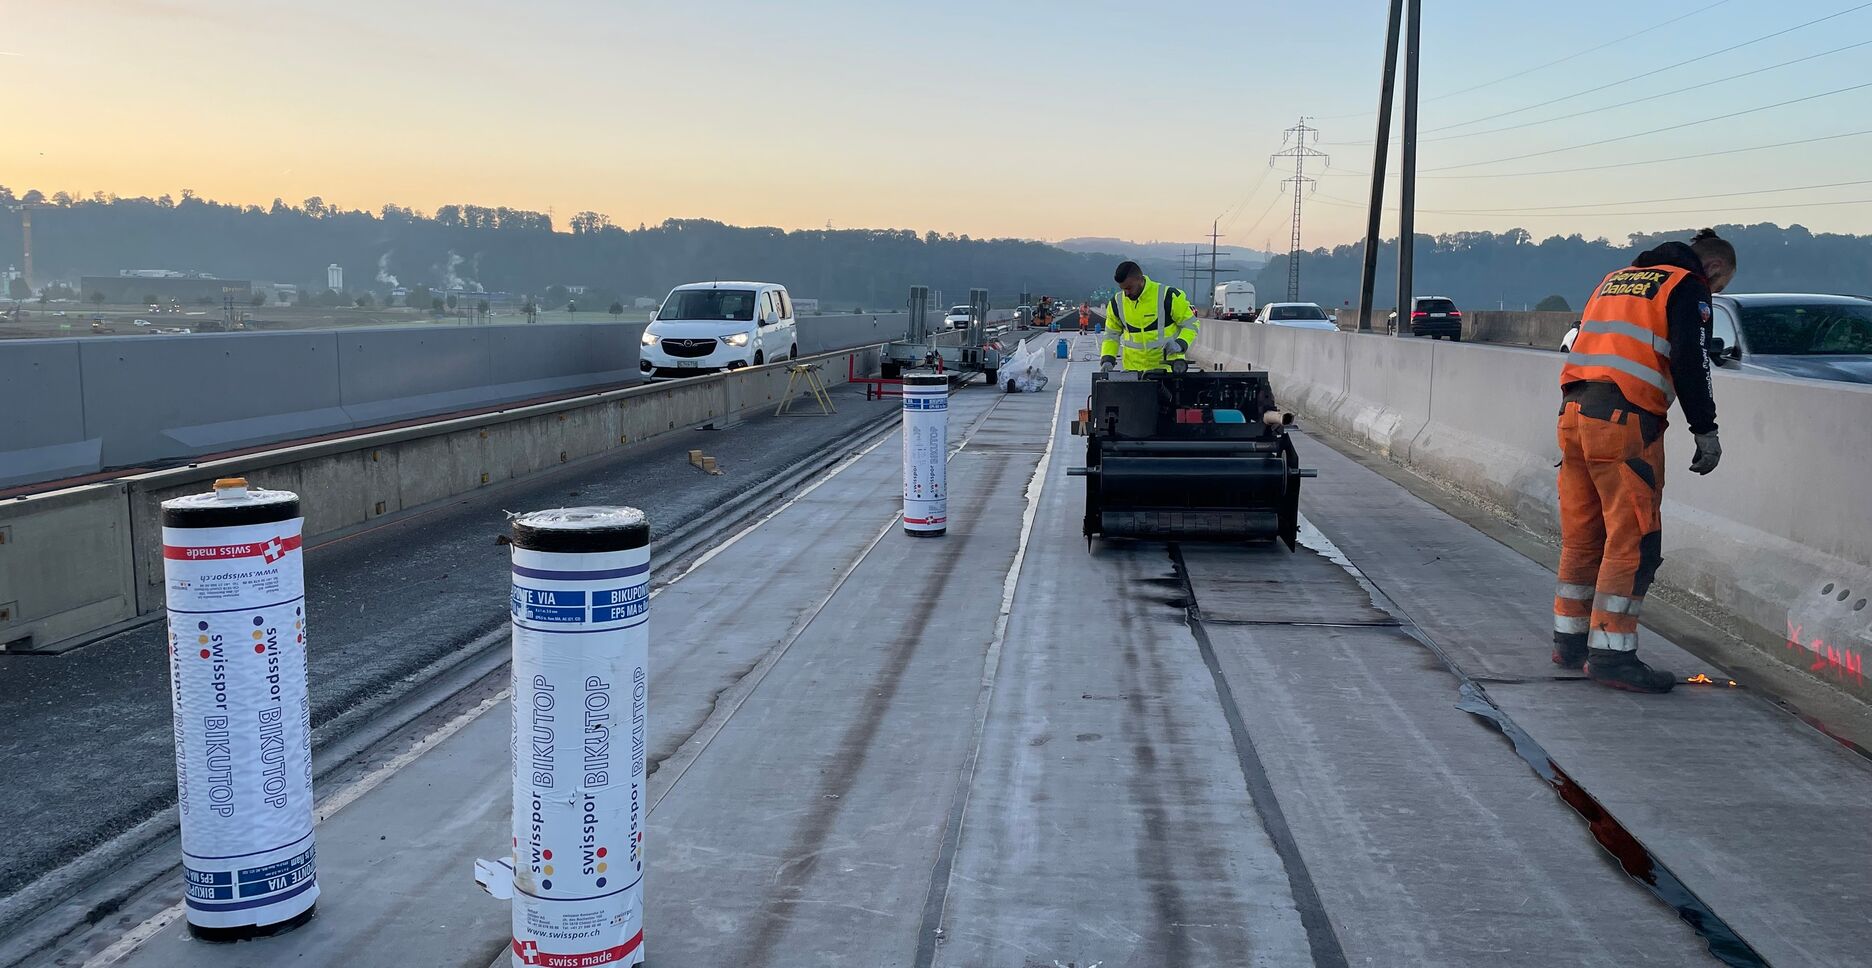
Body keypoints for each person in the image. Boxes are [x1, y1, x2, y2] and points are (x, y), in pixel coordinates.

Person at [1553, 228, 1736, 693]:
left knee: (1582, 537)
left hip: (1572, 414)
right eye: (1719, 288)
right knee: (1633, 542)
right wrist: (1705, 429)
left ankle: (1570, 644)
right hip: (1624, 423)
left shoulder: (1615, 279)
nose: (1713, 295)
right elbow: (1692, 361)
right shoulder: (1686, 286)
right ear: (1712, 269)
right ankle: (1613, 655)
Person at [1100, 261, 1199, 373]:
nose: (1126, 293)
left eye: (1129, 288)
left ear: (1140, 280)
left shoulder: (1168, 296)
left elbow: (1191, 324)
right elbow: (1111, 335)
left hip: (1167, 371)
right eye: (1123, 289)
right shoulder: (1117, 303)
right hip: (1133, 371)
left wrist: (1180, 343)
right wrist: (1107, 359)